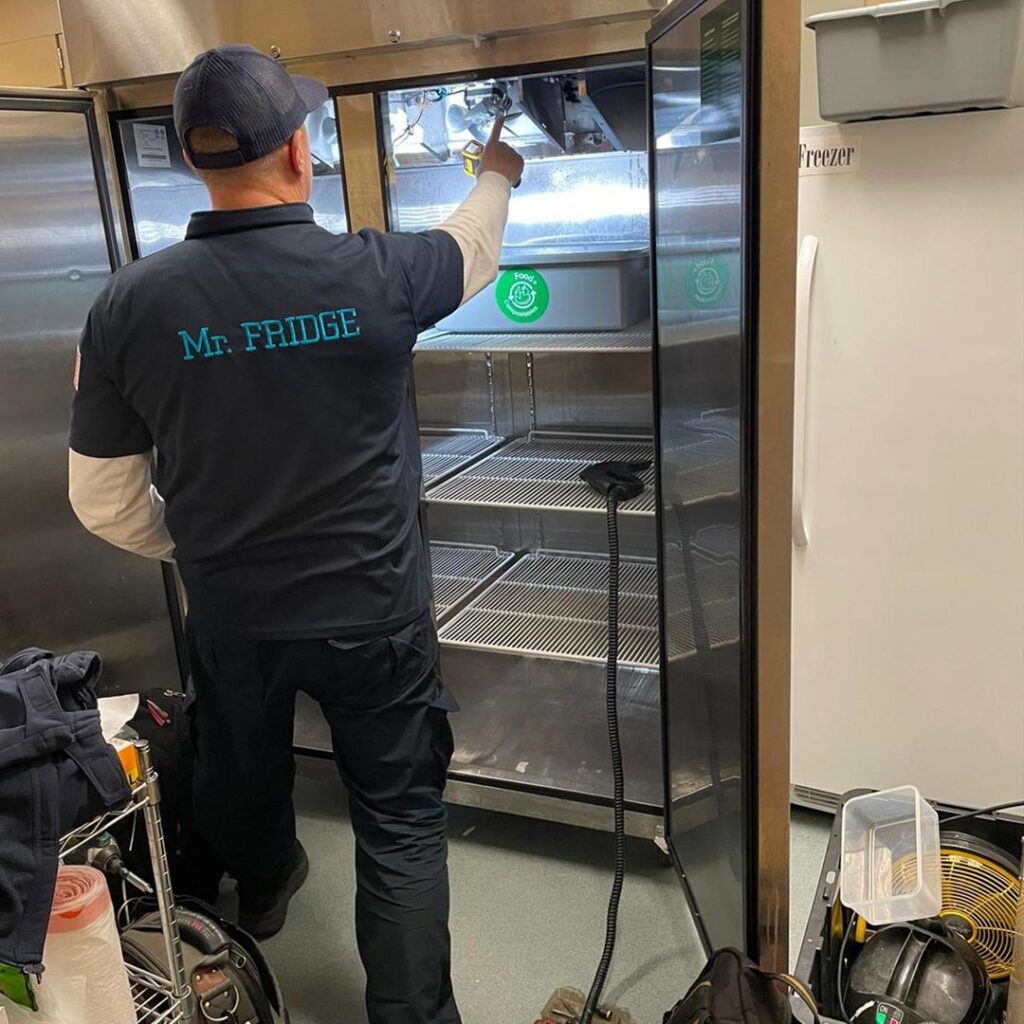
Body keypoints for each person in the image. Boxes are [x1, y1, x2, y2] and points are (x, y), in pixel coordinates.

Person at [67, 44, 523, 1024]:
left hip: (233, 613)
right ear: (299, 152)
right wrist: (496, 172)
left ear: (197, 160)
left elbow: (102, 500)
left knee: (241, 767)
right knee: (401, 818)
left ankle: (263, 893)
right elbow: (471, 246)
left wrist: (197, 545)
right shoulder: (377, 271)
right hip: (373, 614)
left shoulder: (128, 307)